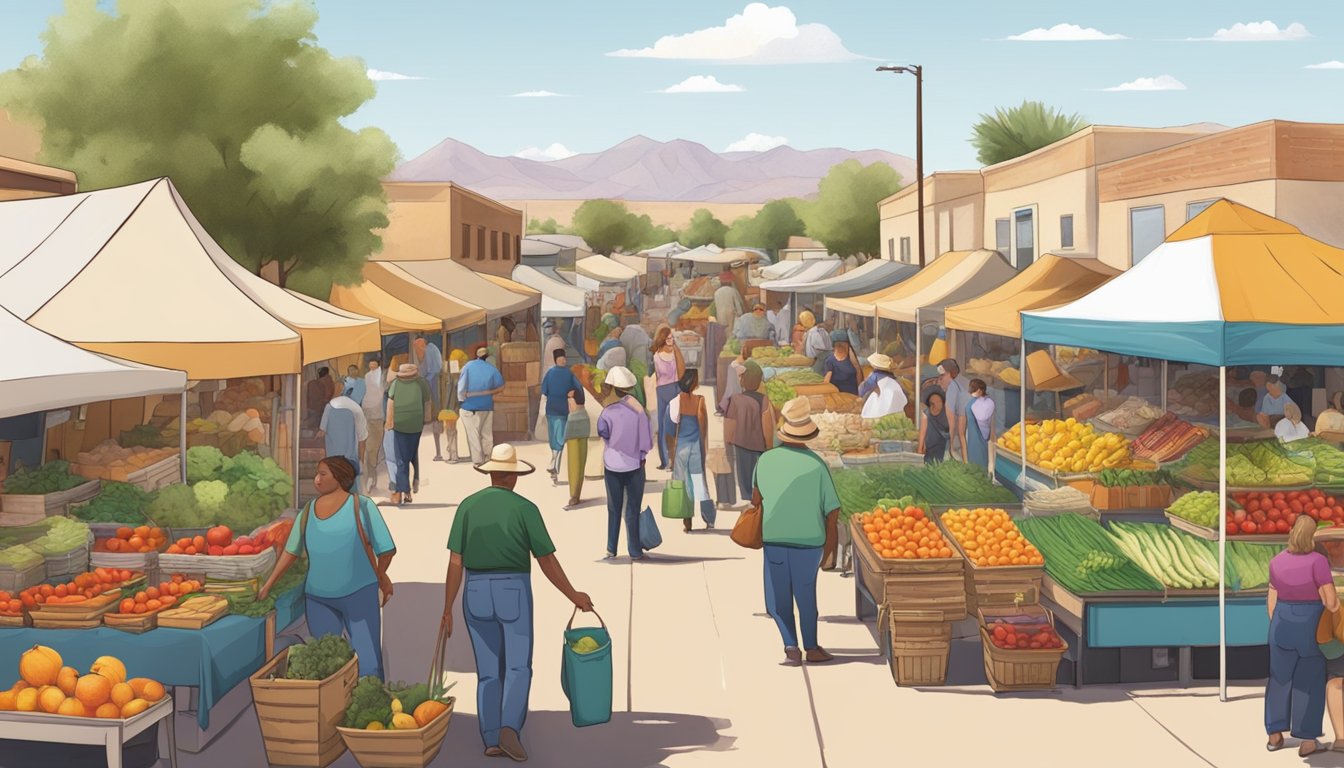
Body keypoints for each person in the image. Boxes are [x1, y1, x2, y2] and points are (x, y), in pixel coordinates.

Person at [441, 444, 593, 762]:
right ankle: (510, 726)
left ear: (491, 474)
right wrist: (573, 595)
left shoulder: (467, 507)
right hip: (514, 589)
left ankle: (491, 738)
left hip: (475, 591)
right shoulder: (525, 509)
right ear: (513, 476)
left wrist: (447, 608)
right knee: (518, 666)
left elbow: (456, 562)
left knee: (487, 671)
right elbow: (546, 560)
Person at [260, 456, 395, 679]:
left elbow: (387, 550)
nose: (316, 479)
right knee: (328, 663)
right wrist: (268, 584)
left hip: (359, 594)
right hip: (318, 599)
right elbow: (290, 552)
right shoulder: (308, 511)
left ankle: (371, 708)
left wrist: (380, 577)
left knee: (369, 663)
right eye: (317, 474)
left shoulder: (361, 506)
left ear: (340, 477)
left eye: (323, 474)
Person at [754, 397, 838, 665]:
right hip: (810, 542)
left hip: (775, 538)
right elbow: (832, 511)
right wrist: (831, 548)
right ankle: (811, 647)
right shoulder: (817, 465)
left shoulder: (765, 460)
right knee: (806, 594)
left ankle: (791, 646)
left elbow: (756, 499)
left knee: (779, 596)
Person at [1265, 515, 1340, 757]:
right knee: (1309, 681)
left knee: (1279, 678)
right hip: (1309, 623)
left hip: (1281, 623)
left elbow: (1271, 601)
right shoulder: (1318, 562)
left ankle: (1274, 735)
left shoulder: (1277, 561)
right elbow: (1330, 603)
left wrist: (1280, 623)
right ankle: (1307, 741)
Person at [597, 366, 652, 559]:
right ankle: (635, 550)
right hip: (636, 465)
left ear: (612, 387)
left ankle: (611, 548)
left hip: (612, 465)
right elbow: (646, 441)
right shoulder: (639, 411)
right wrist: (641, 455)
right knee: (633, 509)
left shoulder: (607, 412)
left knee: (614, 508)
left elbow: (603, 432)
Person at [668, 368, 713, 532]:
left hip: (681, 446)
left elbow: (671, 426)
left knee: (683, 483)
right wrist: (704, 443)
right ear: (693, 383)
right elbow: (703, 423)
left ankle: (687, 521)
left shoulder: (676, 401)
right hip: (695, 445)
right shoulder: (699, 400)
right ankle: (708, 518)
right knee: (699, 482)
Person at [724, 361, 774, 502]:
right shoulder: (763, 400)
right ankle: (757, 498)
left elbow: (730, 423)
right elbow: (767, 426)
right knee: (758, 475)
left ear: (744, 380)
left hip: (740, 445)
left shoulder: (735, 399)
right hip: (759, 446)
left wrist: (728, 441)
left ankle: (747, 498)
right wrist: (769, 445)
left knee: (744, 475)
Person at [386, 364, 431, 505]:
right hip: (416, 423)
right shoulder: (421, 382)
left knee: (401, 459)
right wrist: (427, 418)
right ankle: (414, 479)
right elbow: (427, 401)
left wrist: (389, 421)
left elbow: (390, 403)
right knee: (412, 453)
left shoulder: (396, 383)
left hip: (399, 424)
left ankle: (405, 492)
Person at [458, 346, 505, 465]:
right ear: (487, 356)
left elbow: (461, 387)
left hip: (470, 406)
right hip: (487, 406)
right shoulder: (492, 369)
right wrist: (487, 393)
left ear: (476, 355)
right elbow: (501, 387)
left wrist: (462, 399)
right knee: (487, 433)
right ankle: (488, 457)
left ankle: (478, 460)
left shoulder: (468, 367)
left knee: (473, 435)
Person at [541, 348, 582, 481]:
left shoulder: (550, 373)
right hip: (562, 409)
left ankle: (554, 465)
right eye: (563, 358)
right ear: (559, 360)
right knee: (559, 438)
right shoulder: (569, 373)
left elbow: (544, 390)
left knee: (554, 437)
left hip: (551, 408)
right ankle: (554, 465)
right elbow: (578, 388)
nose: (564, 360)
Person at [319, 386, 369, 490]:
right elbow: (362, 441)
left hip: (332, 457)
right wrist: (362, 461)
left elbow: (322, 431)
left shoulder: (330, 406)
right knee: (350, 487)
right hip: (349, 458)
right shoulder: (357, 409)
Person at [652, 326, 686, 471]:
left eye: (672, 338)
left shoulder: (675, 354)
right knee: (662, 425)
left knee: (673, 423)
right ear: (663, 340)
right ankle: (664, 460)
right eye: (668, 338)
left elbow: (681, 371)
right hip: (661, 391)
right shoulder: (656, 356)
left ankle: (674, 459)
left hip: (674, 389)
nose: (671, 340)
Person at [414, 337, 446, 462]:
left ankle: (439, 451)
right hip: (430, 384)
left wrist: (424, 381)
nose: (416, 348)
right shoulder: (426, 352)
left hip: (434, 385)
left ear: (422, 343)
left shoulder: (430, 349)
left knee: (435, 415)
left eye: (417, 345)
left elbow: (434, 369)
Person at [361, 359, 387, 494]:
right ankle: (371, 477)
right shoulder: (368, 376)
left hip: (376, 415)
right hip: (369, 414)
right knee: (372, 448)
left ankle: (372, 476)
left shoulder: (379, 376)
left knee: (373, 448)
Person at [563, 391, 590, 509]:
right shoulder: (580, 387)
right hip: (584, 421)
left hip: (573, 422)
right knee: (581, 462)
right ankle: (576, 494)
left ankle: (574, 495)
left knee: (573, 463)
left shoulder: (571, 413)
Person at [937, 359, 969, 459]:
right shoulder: (956, 384)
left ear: (950, 374)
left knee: (961, 435)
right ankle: (964, 460)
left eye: (942, 376)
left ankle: (962, 459)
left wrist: (950, 447)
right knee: (961, 436)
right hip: (964, 413)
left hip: (966, 414)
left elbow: (950, 421)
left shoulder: (952, 388)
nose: (939, 381)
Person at [859, 354, 907, 420]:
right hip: (896, 411)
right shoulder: (892, 377)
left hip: (884, 408)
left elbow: (862, 390)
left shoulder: (875, 376)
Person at [963, 378, 996, 471]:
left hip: (980, 436)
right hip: (974, 434)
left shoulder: (986, 403)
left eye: (975, 389)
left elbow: (983, 418)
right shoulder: (972, 403)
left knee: (980, 458)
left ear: (980, 390)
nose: (971, 392)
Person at [822, 332, 861, 396]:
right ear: (834, 346)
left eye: (844, 344)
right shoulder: (830, 361)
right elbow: (826, 382)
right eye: (839, 345)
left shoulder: (851, 359)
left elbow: (858, 373)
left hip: (854, 395)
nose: (842, 347)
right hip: (839, 396)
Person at [919, 390, 950, 465]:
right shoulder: (926, 414)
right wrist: (920, 449)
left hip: (944, 447)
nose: (936, 404)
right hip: (930, 448)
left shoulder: (948, 413)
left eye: (938, 402)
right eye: (933, 402)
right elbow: (922, 433)